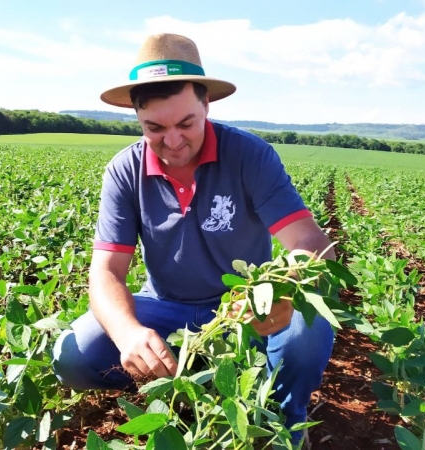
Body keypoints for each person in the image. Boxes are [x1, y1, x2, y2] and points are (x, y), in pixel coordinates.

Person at [52, 33, 335, 446]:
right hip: (165, 308)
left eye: (186, 123)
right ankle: (171, 392)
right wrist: (129, 333)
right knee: (76, 354)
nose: (172, 141)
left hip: (244, 310)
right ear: (136, 117)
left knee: (307, 329)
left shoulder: (250, 156)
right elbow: (106, 271)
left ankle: (282, 423)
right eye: (154, 128)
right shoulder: (124, 171)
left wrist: (281, 289)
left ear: (206, 105)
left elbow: (309, 240)